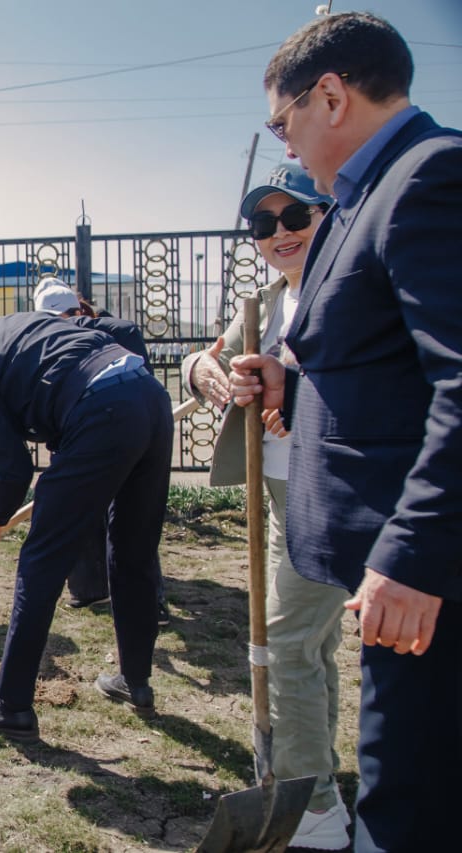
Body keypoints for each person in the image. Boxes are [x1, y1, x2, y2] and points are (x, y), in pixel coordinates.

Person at [229, 13, 461, 851]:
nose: (284, 141)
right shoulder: (362, 195)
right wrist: (289, 377)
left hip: (418, 581)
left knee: (412, 800)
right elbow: (380, 356)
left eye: (280, 121)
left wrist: (412, 553)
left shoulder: (428, 178)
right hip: (380, 576)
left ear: (330, 96)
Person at [0, 301, 173, 738]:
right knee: (132, 548)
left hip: (102, 411)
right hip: (147, 395)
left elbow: (14, 466)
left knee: (40, 560)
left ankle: (11, 706)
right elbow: (110, 334)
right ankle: (135, 681)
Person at [185, 162, 348, 849]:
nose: (278, 233)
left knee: (284, 641)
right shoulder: (269, 297)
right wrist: (207, 372)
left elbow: (370, 388)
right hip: (279, 488)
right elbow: (205, 358)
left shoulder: (349, 291)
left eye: (294, 218)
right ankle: (325, 783)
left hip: (333, 492)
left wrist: (296, 391)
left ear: (328, 215)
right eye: (262, 224)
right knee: (313, 643)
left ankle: (312, 805)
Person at [32, 279, 170, 624]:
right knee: (107, 516)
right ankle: (97, 590)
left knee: (116, 517)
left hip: (103, 433)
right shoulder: (107, 330)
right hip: (99, 432)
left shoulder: (112, 332)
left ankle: (137, 600)